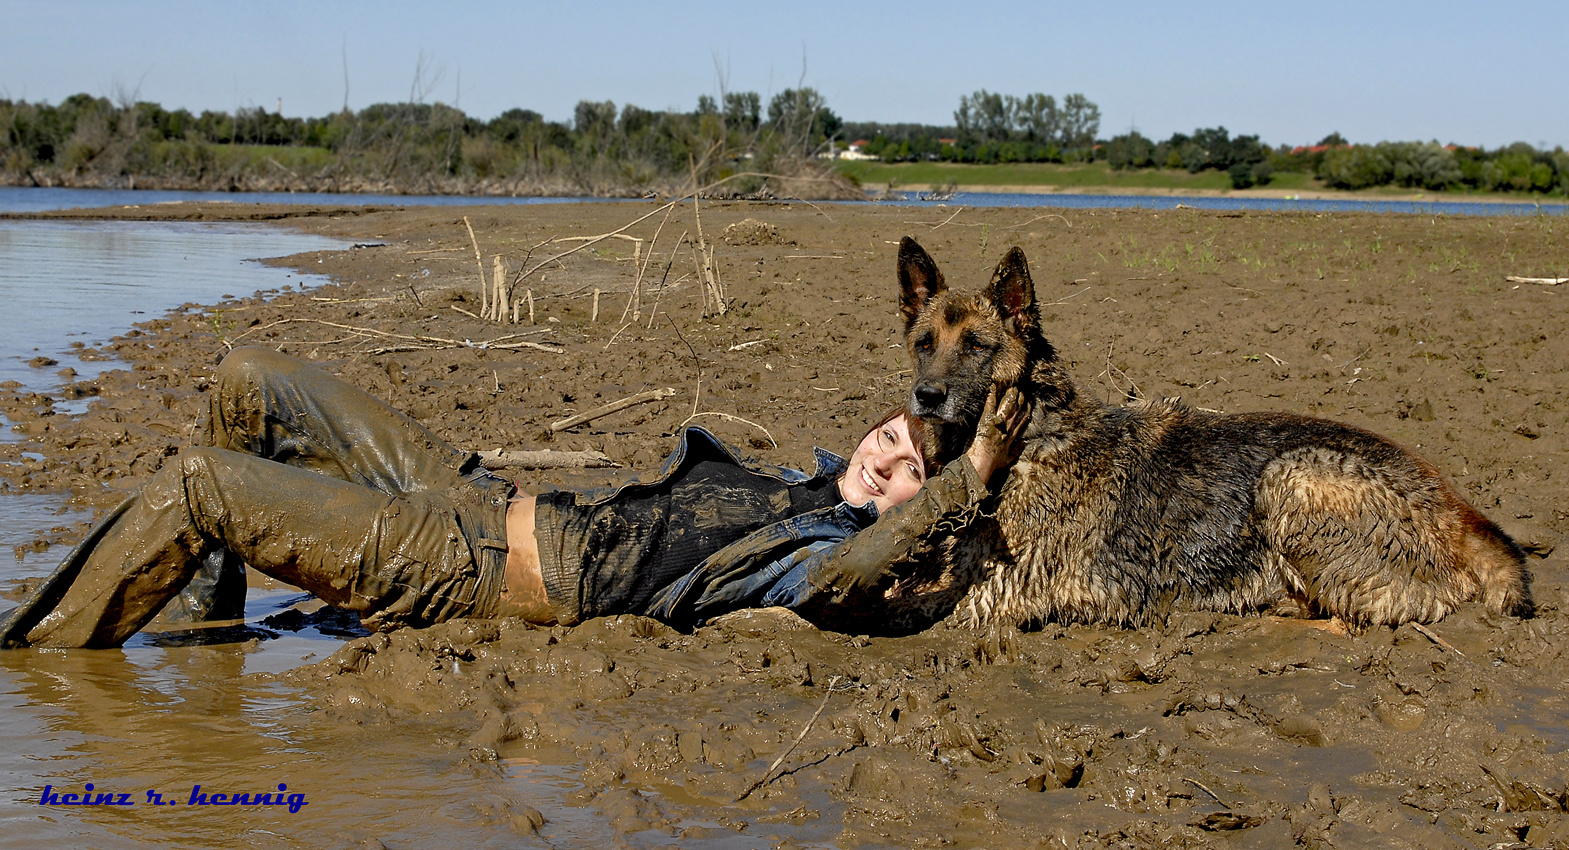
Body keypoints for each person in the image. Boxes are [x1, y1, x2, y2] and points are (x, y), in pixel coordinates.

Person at [2, 347, 1027, 648]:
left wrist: (972, 481)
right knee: (248, 382)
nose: (884, 460)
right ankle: (200, 635)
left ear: (914, 511)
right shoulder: (803, 481)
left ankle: (36, 667)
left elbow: (856, 574)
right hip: (475, 497)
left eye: (906, 476)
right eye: (888, 438)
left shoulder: (819, 551)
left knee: (201, 484)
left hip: (470, 564)